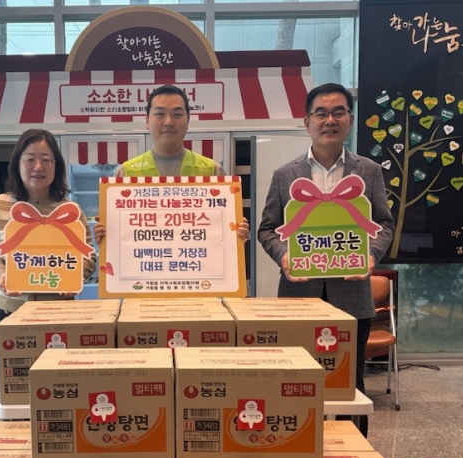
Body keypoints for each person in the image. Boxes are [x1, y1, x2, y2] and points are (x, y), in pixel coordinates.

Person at [257, 82, 395, 436]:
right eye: (321, 113)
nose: (329, 120)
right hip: (298, 298)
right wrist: (284, 256)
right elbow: (267, 229)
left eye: (338, 112)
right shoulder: (285, 175)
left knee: (351, 384)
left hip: (352, 297)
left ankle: (354, 450)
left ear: (350, 119)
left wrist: (370, 255)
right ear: (307, 122)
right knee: (297, 379)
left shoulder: (369, 171)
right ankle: (302, 443)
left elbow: (384, 224)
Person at [0, 128, 96, 390]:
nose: (38, 166)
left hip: (59, 312)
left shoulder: (70, 210)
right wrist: (1, 271)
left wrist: (74, 277)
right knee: (14, 385)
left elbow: (88, 257)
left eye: (46, 160)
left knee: (61, 383)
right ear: (17, 164)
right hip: (10, 311)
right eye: (30, 159)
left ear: (56, 166)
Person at [94, 84, 249, 243]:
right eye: (160, 114)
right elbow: (120, 238)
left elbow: (222, 235)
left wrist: (236, 236)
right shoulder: (125, 173)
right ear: (147, 121)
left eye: (177, 114)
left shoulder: (212, 170)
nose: (168, 122)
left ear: (188, 121)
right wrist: (106, 235)